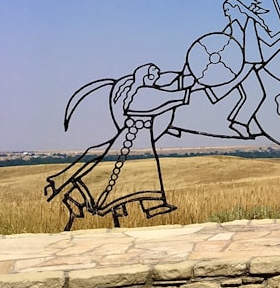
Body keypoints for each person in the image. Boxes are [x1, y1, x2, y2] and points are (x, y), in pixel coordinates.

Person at [45, 63, 188, 230]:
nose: (158, 79)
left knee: (123, 177)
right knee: (115, 177)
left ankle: (148, 205)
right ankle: (77, 199)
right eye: (155, 76)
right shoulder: (143, 93)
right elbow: (171, 97)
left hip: (134, 138)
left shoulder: (142, 92)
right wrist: (190, 86)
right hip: (130, 141)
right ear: (147, 77)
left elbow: (167, 95)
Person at [209, 0, 280, 136]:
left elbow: (270, 42)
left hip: (249, 65)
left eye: (227, 9)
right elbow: (223, 46)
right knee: (255, 94)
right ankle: (240, 123)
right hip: (241, 67)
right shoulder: (231, 28)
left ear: (236, 8)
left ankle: (240, 122)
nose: (225, 13)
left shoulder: (251, 24)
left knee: (256, 94)